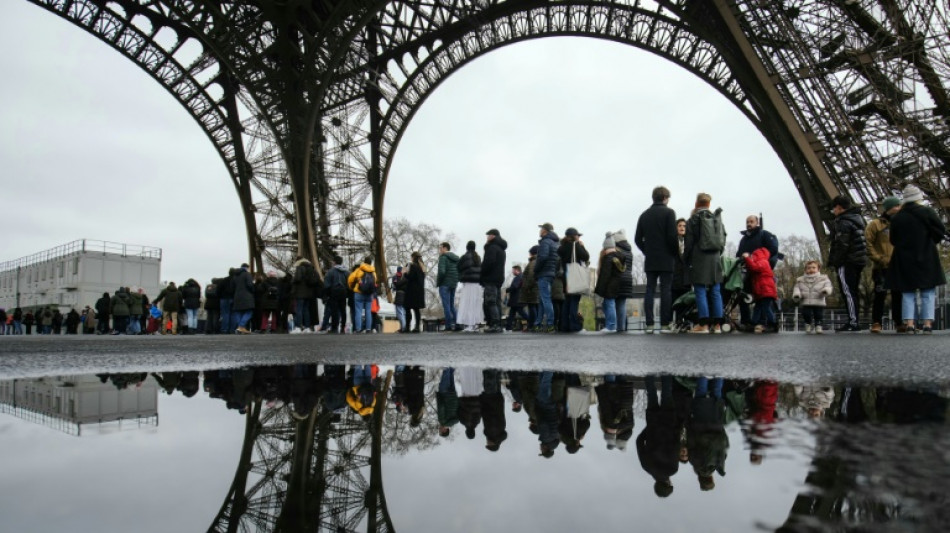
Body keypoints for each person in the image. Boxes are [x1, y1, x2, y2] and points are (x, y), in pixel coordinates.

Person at [888, 184, 948, 334]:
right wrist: (929, 241)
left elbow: (893, 239)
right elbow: (941, 230)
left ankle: (909, 323)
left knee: (907, 292)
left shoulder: (897, 217)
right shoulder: (927, 212)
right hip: (926, 254)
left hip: (904, 257)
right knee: (928, 291)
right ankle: (927, 323)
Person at [635, 186, 679, 333]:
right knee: (666, 290)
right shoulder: (669, 213)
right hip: (666, 258)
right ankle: (665, 323)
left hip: (651, 259)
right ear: (665, 198)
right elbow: (672, 237)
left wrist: (646, 250)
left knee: (650, 290)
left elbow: (637, 239)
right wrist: (674, 253)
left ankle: (649, 324)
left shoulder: (644, 215)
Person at [683, 193, 725, 333]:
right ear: (709, 204)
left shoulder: (693, 219)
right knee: (716, 290)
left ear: (696, 204)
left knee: (700, 290)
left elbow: (688, 243)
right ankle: (718, 325)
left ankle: (704, 324)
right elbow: (722, 239)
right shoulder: (716, 219)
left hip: (699, 257)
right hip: (715, 258)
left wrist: (686, 258)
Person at [827, 195, 868, 332]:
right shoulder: (857, 220)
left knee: (848, 291)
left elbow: (841, 244)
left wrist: (836, 262)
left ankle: (853, 321)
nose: (834, 211)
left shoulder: (843, 222)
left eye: (834, 208)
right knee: (853, 291)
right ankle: (854, 320)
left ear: (839, 207)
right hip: (858, 260)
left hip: (847, 261)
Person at [736, 215, 780, 331]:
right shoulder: (744, 239)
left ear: (757, 223)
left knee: (762, 299)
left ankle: (763, 322)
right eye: (747, 222)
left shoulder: (764, 234)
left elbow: (773, 249)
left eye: (751, 221)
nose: (749, 224)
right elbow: (739, 254)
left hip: (760, 272)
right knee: (744, 296)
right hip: (747, 272)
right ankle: (748, 321)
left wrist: (761, 261)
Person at [866, 197, 903, 333]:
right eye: (896, 206)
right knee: (879, 294)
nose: (899, 208)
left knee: (898, 295)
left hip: (897, 265)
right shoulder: (875, 224)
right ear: (888, 208)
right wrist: (878, 258)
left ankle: (899, 322)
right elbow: (868, 244)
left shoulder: (901, 223)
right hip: (881, 266)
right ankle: (876, 322)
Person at [557, 227, 590, 332]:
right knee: (574, 302)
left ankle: (564, 325)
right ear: (574, 236)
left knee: (567, 301)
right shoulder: (575, 246)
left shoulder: (562, 247)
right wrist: (582, 246)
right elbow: (585, 256)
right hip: (575, 277)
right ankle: (574, 326)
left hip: (566, 277)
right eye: (577, 235)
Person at [595, 234, 627, 333]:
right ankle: (616, 326)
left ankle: (611, 326)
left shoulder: (608, 258)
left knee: (609, 303)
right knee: (611, 304)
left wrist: (600, 288)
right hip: (620, 283)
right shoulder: (621, 256)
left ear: (605, 247)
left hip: (610, 285)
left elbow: (605, 275)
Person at [742, 248, 777, 333]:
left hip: (766, 291)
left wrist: (747, 258)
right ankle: (753, 323)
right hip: (762, 291)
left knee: (766, 307)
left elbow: (754, 267)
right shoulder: (763, 262)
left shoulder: (763, 262)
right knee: (757, 307)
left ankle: (773, 323)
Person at [792, 260, 833, 334]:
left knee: (818, 314)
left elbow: (828, 286)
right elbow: (796, 288)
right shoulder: (800, 280)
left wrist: (825, 291)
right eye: (808, 268)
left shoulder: (824, 279)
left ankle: (818, 325)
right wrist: (797, 295)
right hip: (806, 301)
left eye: (814, 268)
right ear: (805, 270)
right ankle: (808, 324)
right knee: (806, 314)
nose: (811, 269)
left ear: (818, 269)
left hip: (819, 301)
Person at [480, 229, 508, 333]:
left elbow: (488, 263)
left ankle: (494, 324)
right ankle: (498, 323)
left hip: (490, 278)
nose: (487, 238)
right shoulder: (501, 249)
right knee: (496, 301)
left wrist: (482, 272)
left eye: (488, 235)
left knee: (490, 301)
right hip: (498, 278)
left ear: (493, 236)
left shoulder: (492, 248)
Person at [535, 223, 559, 332]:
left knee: (546, 299)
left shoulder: (545, 242)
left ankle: (550, 324)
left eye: (541, 229)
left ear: (545, 230)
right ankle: (538, 323)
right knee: (542, 300)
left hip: (544, 273)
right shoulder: (555, 243)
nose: (540, 231)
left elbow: (542, 257)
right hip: (551, 273)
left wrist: (536, 269)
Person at [611, 230, 635, 332]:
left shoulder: (616, 251)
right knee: (622, 303)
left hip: (618, 278)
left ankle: (618, 327)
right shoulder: (629, 251)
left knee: (616, 303)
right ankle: (622, 327)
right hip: (628, 279)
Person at [348, 256, 378, 334]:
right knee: (368, 311)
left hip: (359, 292)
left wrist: (351, 287)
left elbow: (350, 279)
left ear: (364, 262)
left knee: (358, 311)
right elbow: (375, 281)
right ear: (371, 263)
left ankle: (358, 329)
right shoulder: (373, 272)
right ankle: (368, 328)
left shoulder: (359, 270)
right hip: (369, 294)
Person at [291, 256, 319, 332]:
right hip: (309, 293)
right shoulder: (311, 268)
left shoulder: (300, 267)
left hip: (300, 292)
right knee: (306, 310)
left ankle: (298, 327)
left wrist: (293, 281)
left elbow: (297, 278)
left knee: (298, 309)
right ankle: (307, 327)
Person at [437, 242, 460, 332]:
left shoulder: (443, 258)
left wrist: (439, 282)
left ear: (445, 248)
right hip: (453, 284)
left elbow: (442, 272)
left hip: (445, 284)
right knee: (451, 305)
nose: (440, 250)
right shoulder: (456, 258)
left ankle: (448, 325)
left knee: (446, 305)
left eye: (440, 248)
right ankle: (457, 324)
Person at [323, 256, 349, 334]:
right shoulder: (346, 272)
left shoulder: (330, 272)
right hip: (343, 292)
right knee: (343, 310)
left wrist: (327, 294)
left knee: (334, 310)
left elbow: (327, 284)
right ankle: (343, 327)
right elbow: (349, 283)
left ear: (334, 262)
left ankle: (334, 328)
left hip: (333, 292)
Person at [672, 218, 691, 324]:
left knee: (685, 302)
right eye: (679, 226)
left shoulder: (689, 242)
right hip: (674, 277)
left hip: (686, 278)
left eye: (684, 226)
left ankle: (683, 322)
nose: (682, 228)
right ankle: (674, 322)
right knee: (674, 302)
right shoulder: (672, 241)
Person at [402, 252, 427, 333]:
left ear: (413, 257)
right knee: (416, 309)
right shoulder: (422, 267)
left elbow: (410, 277)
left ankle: (407, 327)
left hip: (411, 290)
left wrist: (405, 273)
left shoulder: (413, 266)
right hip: (419, 291)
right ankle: (417, 326)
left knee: (407, 308)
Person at [231, 264, 256, 334]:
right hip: (246, 296)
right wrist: (253, 290)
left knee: (238, 312)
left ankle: (240, 328)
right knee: (249, 312)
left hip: (237, 296)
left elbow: (232, 287)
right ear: (247, 268)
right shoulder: (247, 274)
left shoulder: (235, 276)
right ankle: (241, 326)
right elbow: (250, 285)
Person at [520, 246, 540, 332]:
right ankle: (534, 324)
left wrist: (527, 287)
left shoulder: (533, 262)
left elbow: (531, 276)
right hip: (536, 288)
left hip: (532, 289)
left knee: (532, 307)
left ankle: (532, 325)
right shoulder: (537, 261)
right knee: (535, 307)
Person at [504, 265, 529, 331]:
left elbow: (515, 287)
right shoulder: (522, 276)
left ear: (517, 270)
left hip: (516, 299)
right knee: (512, 314)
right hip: (518, 299)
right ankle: (508, 327)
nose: (512, 272)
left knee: (521, 313)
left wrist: (507, 290)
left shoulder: (518, 277)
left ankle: (532, 322)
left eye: (513, 270)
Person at [390, 266, 407, 332]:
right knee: (404, 312)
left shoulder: (395, 277)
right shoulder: (406, 277)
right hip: (406, 295)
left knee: (399, 312)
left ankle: (403, 327)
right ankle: (404, 327)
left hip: (399, 294)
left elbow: (394, 285)